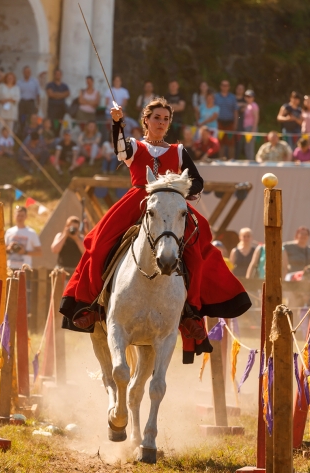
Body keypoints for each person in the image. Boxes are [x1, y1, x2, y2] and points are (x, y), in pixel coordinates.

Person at [61, 98, 250, 357]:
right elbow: (119, 151)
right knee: (99, 243)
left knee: (198, 244)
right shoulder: (134, 146)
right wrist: (117, 124)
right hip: (137, 201)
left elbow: (197, 183)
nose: (161, 122)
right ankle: (91, 305)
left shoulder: (179, 150)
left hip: (169, 205)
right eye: (156, 118)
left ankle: (190, 312)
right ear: (146, 121)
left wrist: (176, 187)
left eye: (165, 119)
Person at [5, 205, 42, 274]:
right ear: (14, 216)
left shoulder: (31, 233)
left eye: (22, 215)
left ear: (26, 217)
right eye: (18, 215)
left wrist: (25, 252)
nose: (20, 218)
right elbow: (2, 251)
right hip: (10, 268)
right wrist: (9, 248)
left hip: (25, 269)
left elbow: (39, 252)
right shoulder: (9, 232)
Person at [214, 80, 238, 160]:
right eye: (223, 85)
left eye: (226, 85)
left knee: (231, 143)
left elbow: (235, 111)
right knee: (220, 142)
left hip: (230, 122)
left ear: (229, 87)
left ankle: (231, 160)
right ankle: (221, 159)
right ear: (220, 86)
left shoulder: (233, 97)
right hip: (219, 122)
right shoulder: (216, 97)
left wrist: (235, 123)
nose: (225, 87)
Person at [17, 66, 41, 130]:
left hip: (31, 103)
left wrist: (38, 105)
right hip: (22, 103)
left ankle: (30, 135)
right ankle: (22, 134)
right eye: (26, 72)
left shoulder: (35, 81)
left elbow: (38, 94)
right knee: (22, 120)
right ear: (23, 72)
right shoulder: (19, 82)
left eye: (29, 72)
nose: (28, 73)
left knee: (31, 120)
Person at [241, 90, 259, 160]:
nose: (248, 98)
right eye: (246, 96)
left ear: (253, 97)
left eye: (250, 96)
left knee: (250, 146)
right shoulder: (247, 105)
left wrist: (253, 129)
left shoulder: (254, 105)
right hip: (246, 127)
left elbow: (256, 117)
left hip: (251, 127)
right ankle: (248, 160)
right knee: (246, 146)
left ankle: (251, 161)